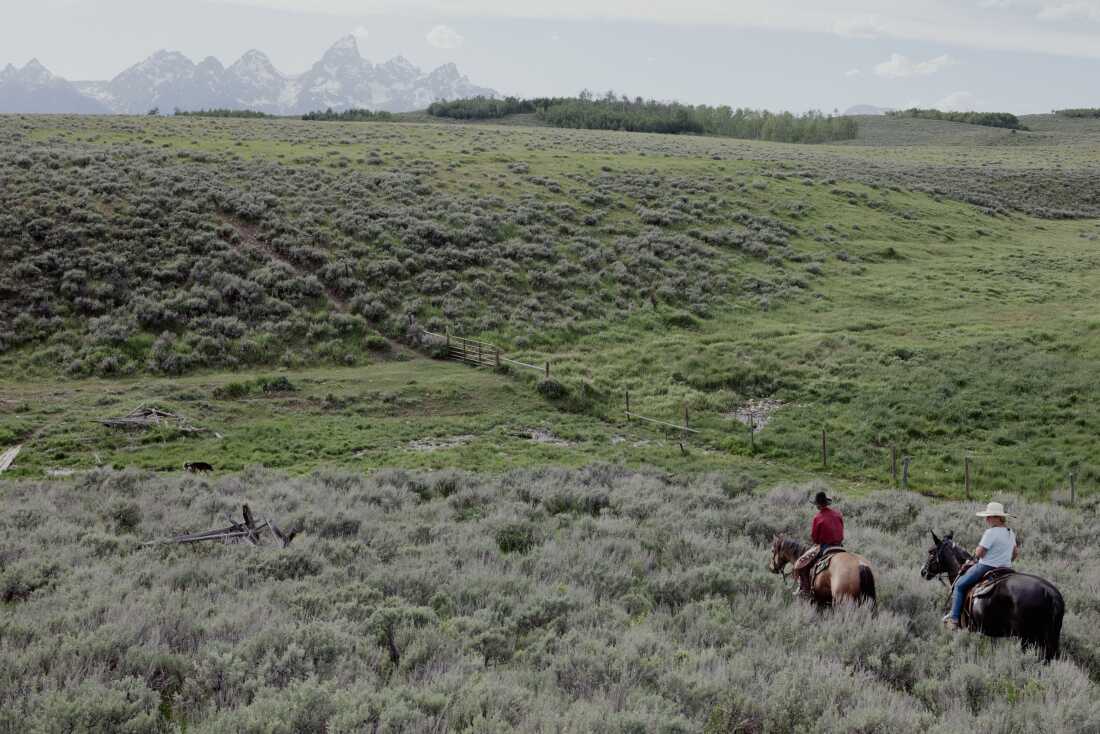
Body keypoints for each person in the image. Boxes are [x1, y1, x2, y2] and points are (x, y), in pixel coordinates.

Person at [943, 501, 1020, 630]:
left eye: (989, 516)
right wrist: (1005, 559)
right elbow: (1015, 553)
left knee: (959, 585)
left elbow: (979, 553)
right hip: (1006, 569)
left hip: (987, 566)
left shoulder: (990, 533)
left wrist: (979, 553)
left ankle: (954, 619)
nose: (987, 519)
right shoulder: (1010, 533)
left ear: (998, 517)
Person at [794, 491, 845, 598]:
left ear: (817, 505)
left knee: (803, 565)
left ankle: (806, 591)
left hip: (825, 548)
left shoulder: (818, 517)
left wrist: (817, 542)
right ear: (826, 503)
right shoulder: (838, 514)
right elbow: (841, 531)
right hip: (839, 547)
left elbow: (815, 538)